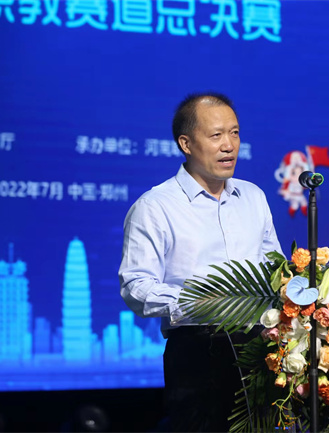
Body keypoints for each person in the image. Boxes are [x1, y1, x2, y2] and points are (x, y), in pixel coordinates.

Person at [118, 93, 283, 432]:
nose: (229, 145)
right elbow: (135, 286)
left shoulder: (253, 197)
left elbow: (275, 268)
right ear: (186, 144)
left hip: (259, 349)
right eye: (216, 135)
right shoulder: (155, 206)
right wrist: (203, 303)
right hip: (198, 353)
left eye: (234, 133)